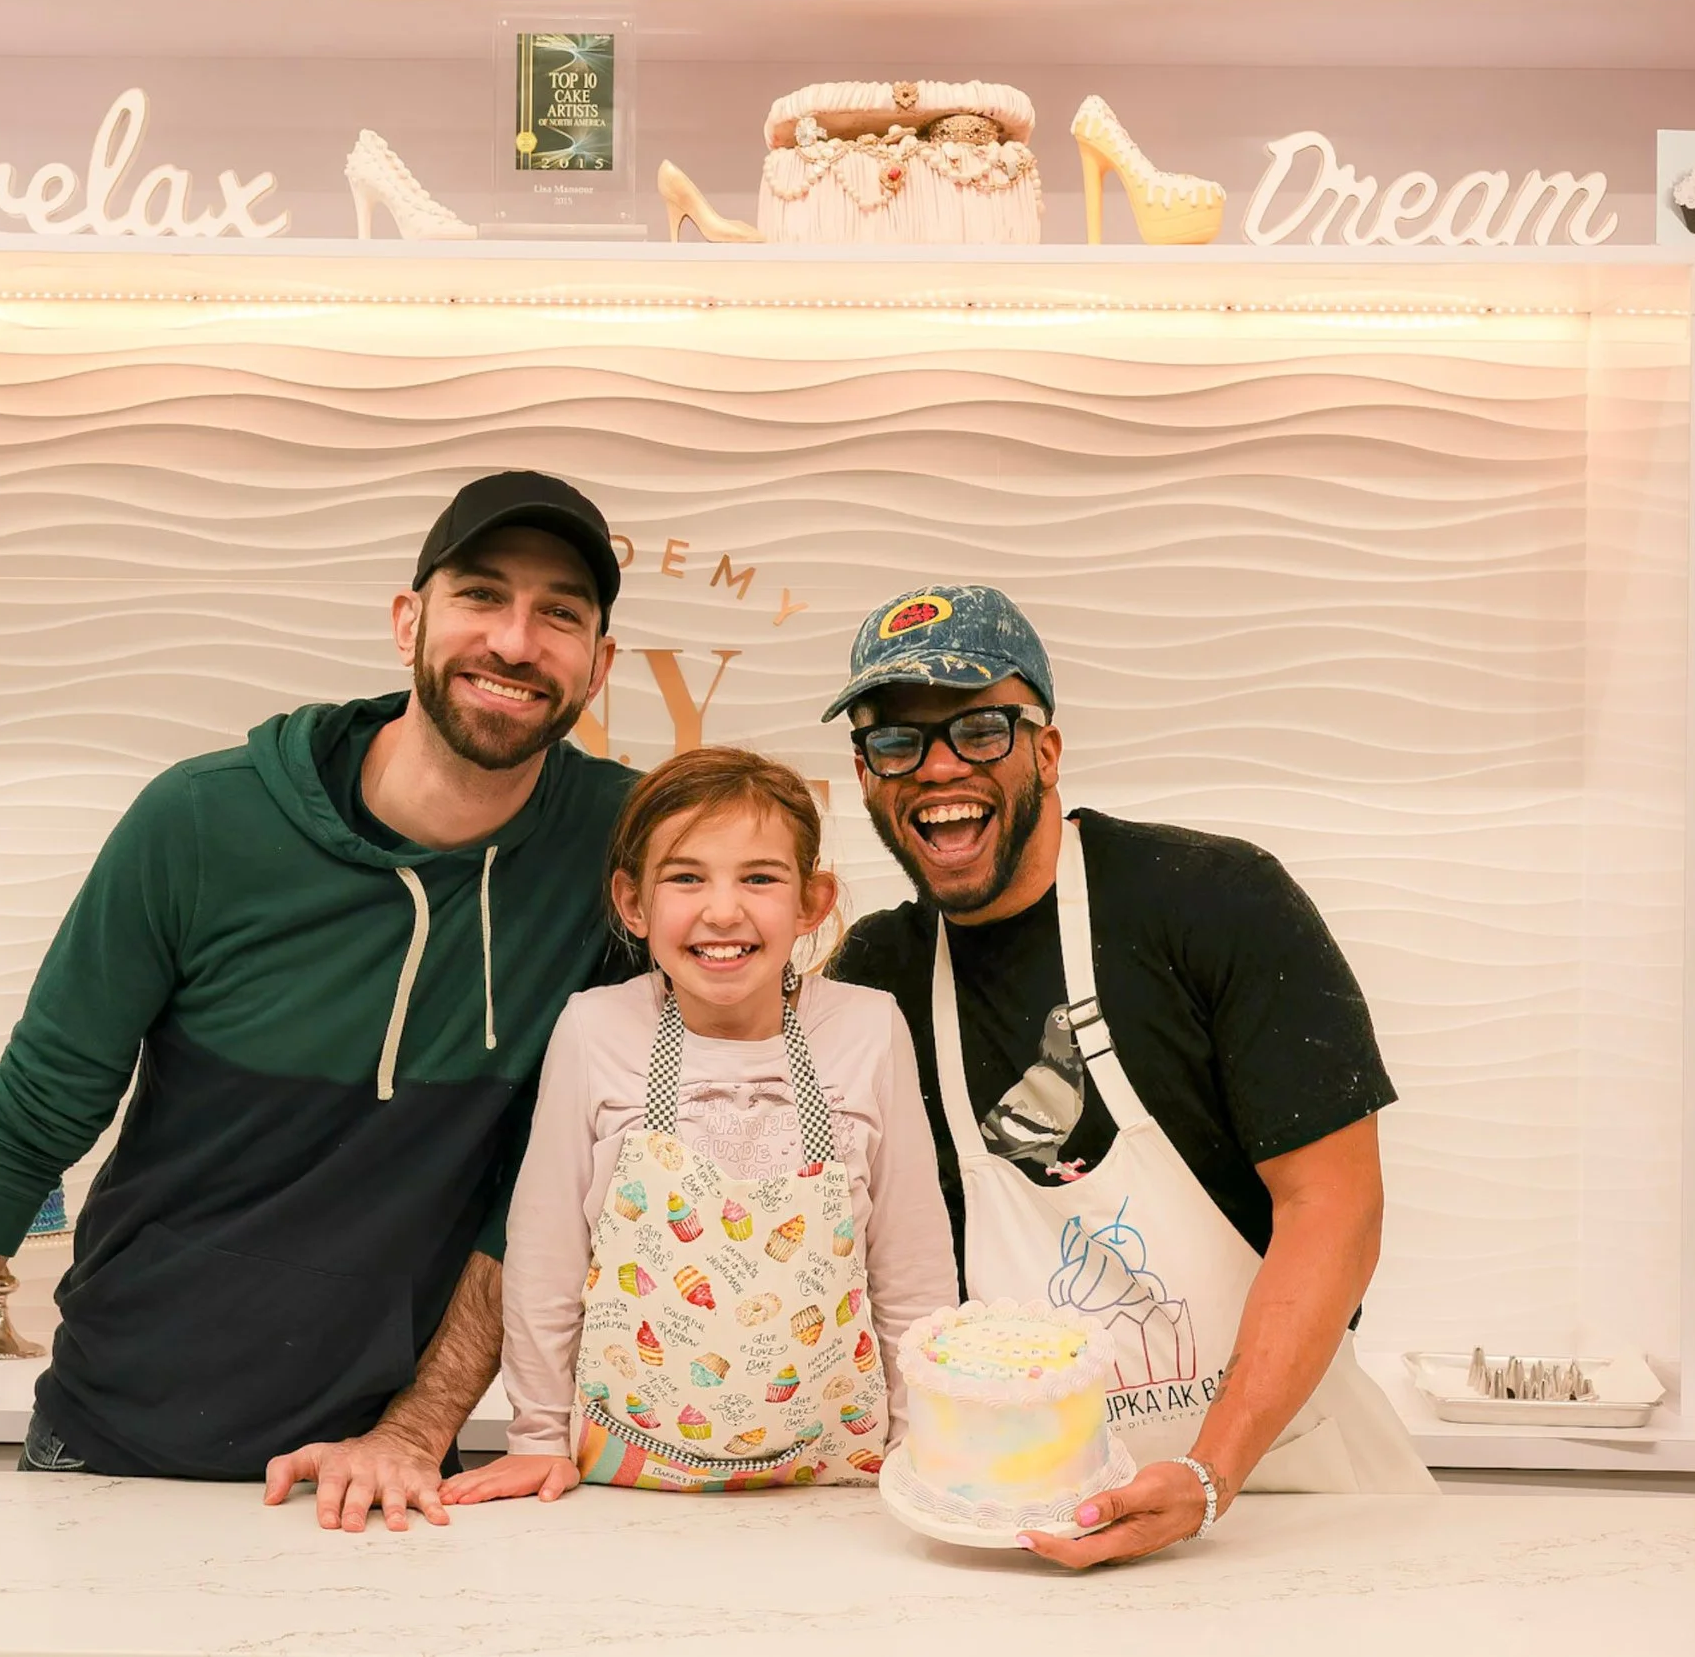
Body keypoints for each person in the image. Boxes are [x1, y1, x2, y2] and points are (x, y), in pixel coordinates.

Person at [0, 471, 638, 1534]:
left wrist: (416, 1426)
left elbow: (544, 1185)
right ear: (408, 622)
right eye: (481, 596)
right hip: (122, 1429)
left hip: (386, 1471)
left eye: (560, 615)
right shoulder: (204, 823)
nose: (517, 640)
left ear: (598, 664)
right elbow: (27, 1124)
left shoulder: (620, 850)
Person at [823, 583, 1434, 1567]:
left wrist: (1207, 1473)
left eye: (980, 727)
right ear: (863, 774)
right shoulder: (874, 977)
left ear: (1046, 750)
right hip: (1004, 1515)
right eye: (894, 741)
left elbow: (1336, 1208)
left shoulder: (1212, 901)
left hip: (1282, 1498)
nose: (937, 766)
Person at [445, 746, 955, 1503]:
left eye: (760, 877)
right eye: (686, 877)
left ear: (812, 902)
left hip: (835, 1486)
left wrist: (928, 1450)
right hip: (621, 1484)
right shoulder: (595, 1028)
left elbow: (912, 1271)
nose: (723, 910)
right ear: (633, 902)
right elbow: (545, 1256)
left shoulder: (869, 1027)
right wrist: (537, 1438)